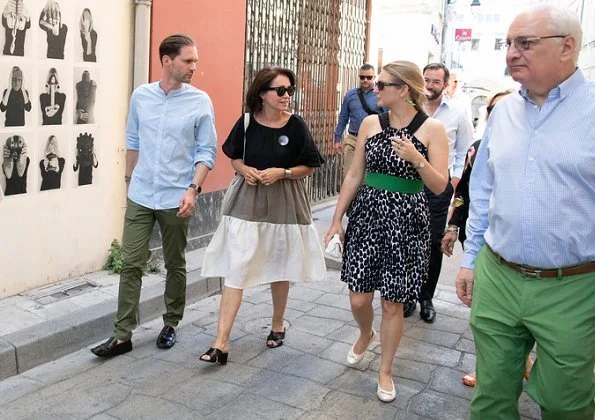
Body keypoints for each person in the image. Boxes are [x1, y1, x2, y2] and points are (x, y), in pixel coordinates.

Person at [455, 6, 595, 419]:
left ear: (567, 47)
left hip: (573, 286)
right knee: (491, 398)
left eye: (525, 43)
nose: (511, 53)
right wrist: (469, 261)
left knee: (567, 403)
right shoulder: (504, 114)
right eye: (509, 44)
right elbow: (482, 191)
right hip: (498, 275)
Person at [325, 61, 448, 402]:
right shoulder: (369, 123)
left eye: (381, 85)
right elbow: (353, 175)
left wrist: (417, 159)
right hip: (367, 216)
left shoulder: (431, 129)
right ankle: (367, 333)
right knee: (358, 296)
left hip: (407, 221)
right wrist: (336, 219)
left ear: (404, 90)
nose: (374, 89)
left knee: (393, 303)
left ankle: (385, 370)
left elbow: (440, 186)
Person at [91, 34, 217, 358]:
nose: (194, 67)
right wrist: (128, 182)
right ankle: (122, 335)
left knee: (175, 263)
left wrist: (194, 188)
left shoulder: (200, 102)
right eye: (188, 61)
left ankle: (171, 322)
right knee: (131, 262)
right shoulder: (141, 97)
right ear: (167, 61)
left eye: (195, 61)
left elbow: (206, 152)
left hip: (178, 197)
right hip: (142, 192)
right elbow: (132, 141)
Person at [200, 66, 326, 365]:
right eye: (280, 90)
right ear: (262, 94)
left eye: (289, 91)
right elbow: (235, 158)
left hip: (285, 200)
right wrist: (244, 170)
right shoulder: (246, 123)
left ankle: (278, 323)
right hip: (248, 200)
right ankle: (221, 341)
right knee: (238, 265)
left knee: (280, 263)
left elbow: (309, 165)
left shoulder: (296, 126)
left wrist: (281, 173)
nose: (286, 96)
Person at [439, 89, 535, 387]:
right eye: (493, 108)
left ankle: (527, 359)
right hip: (483, 240)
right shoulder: (477, 149)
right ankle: (491, 367)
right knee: (488, 313)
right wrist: (453, 227)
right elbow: (464, 193)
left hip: (532, 251)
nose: (498, 112)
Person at [403, 63, 473, 323]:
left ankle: (425, 297)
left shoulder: (456, 114)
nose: (430, 86)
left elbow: (464, 151)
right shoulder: (409, 110)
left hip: (439, 187)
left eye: (435, 81)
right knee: (408, 240)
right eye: (427, 80)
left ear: (445, 85)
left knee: (432, 243)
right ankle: (407, 294)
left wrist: (452, 181)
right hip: (409, 185)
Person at [333, 64, 382, 178]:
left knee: (366, 178)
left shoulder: (380, 94)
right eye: (362, 77)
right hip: (353, 138)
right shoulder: (350, 95)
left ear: (374, 77)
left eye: (369, 77)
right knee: (348, 176)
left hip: (372, 139)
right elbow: (343, 117)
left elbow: (388, 117)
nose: (365, 80)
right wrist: (337, 139)